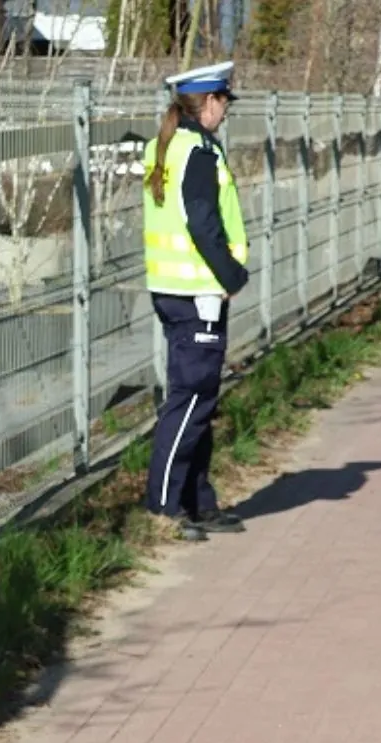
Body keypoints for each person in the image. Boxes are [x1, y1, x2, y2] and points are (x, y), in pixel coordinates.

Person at [141, 61, 249, 542]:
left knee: (198, 402)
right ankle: (164, 507)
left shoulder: (168, 145)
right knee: (189, 402)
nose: (225, 112)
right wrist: (232, 275)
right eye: (224, 102)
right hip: (198, 292)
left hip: (173, 289)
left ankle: (198, 503)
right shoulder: (199, 152)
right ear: (208, 102)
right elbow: (200, 220)